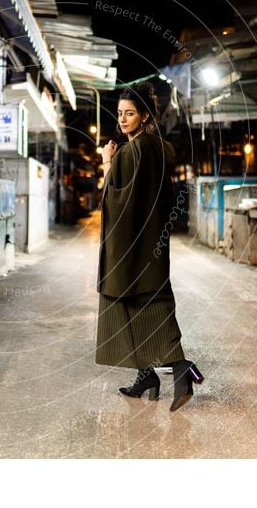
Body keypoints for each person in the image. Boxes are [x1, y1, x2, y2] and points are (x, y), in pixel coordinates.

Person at [95, 81, 203, 412]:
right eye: (119, 114)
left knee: (129, 302)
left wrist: (107, 162)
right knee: (148, 301)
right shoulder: (157, 148)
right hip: (152, 242)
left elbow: (113, 199)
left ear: (144, 116)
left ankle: (182, 368)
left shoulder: (130, 152)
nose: (123, 120)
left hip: (130, 246)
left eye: (130, 113)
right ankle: (148, 377)